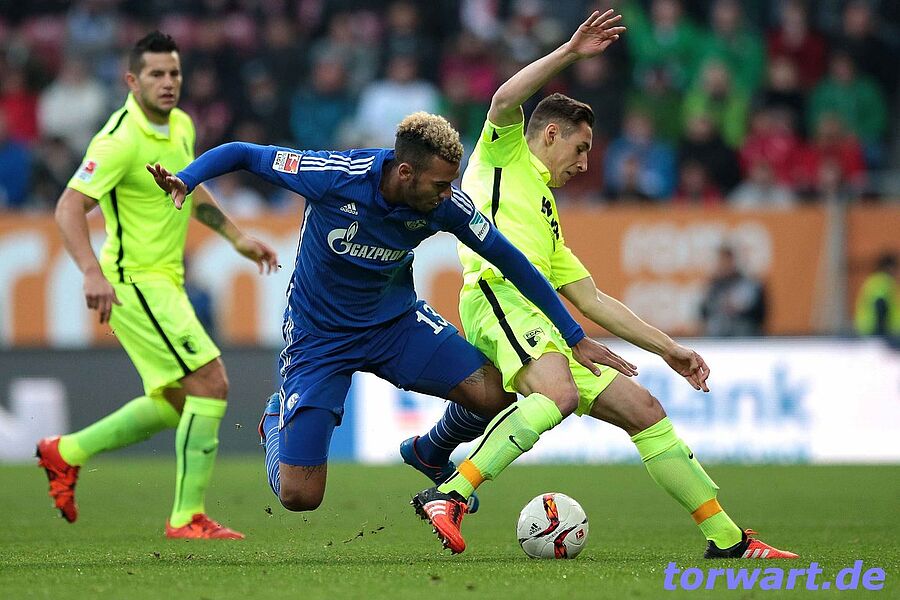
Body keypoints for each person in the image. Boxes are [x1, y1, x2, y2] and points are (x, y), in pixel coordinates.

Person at [405, 9, 796, 560]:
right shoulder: (503, 155)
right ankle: (451, 493)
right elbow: (503, 98)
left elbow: (592, 299)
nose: (586, 163)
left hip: (543, 318)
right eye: (581, 147)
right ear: (550, 134)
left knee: (645, 411)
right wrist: (569, 52)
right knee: (559, 395)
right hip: (497, 295)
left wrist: (670, 349)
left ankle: (728, 540)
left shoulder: (547, 216)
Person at [147, 111, 632, 516]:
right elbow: (243, 153)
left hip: (396, 325)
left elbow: (514, 262)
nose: (448, 194)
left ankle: (431, 451)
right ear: (404, 173)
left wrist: (575, 336)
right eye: (440, 184)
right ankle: (278, 416)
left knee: (498, 394)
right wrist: (187, 179)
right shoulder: (334, 176)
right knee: (300, 496)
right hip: (320, 338)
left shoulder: (447, 206)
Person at [36, 32, 279, 540]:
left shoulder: (182, 124)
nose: (168, 82)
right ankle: (186, 517)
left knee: (176, 400)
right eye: (156, 74)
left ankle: (66, 452)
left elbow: (188, 189)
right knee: (210, 382)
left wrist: (236, 238)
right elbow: (69, 206)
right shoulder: (119, 140)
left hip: (165, 279)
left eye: (174, 73)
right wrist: (90, 271)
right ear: (132, 80)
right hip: (135, 281)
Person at [699, 246, 767, 336]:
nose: (723, 265)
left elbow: (759, 314)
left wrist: (737, 308)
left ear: (734, 262)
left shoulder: (748, 284)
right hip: (717, 336)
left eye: (726, 261)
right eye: (721, 261)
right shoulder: (713, 286)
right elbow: (703, 312)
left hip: (744, 335)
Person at [854, 253, 898, 339]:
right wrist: (881, 331)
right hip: (874, 329)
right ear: (890, 267)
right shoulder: (883, 281)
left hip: (868, 327)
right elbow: (880, 305)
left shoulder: (874, 280)